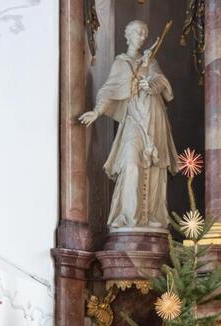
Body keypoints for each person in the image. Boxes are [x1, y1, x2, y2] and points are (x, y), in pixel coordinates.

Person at [78, 20, 178, 230]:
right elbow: (110, 89)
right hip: (134, 118)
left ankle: (152, 216)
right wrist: (97, 111)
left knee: (154, 167)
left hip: (154, 117)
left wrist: (150, 83)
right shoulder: (121, 62)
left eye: (144, 33)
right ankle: (127, 216)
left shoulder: (150, 60)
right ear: (128, 35)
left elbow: (163, 84)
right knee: (131, 164)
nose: (142, 37)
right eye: (138, 33)